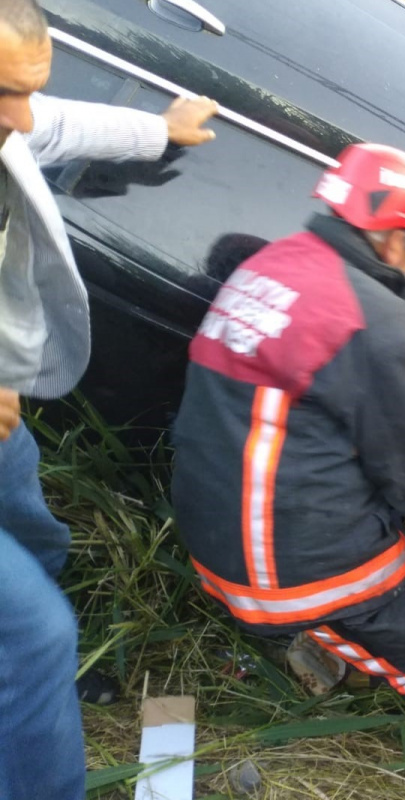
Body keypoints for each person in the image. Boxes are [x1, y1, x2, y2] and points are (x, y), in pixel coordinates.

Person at [170, 143, 405, 769]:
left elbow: (322, 407)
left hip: (217, 537)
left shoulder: (268, 268)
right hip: (288, 567)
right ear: (392, 235)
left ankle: (343, 636)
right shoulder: (372, 318)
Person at [0, 0, 217, 794]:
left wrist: (163, 130)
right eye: (2, 94)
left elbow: (52, 125)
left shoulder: (11, 121)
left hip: (2, 429)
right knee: (33, 634)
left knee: (35, 534)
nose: (19, 117)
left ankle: (31, 696)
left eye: (25, 89)